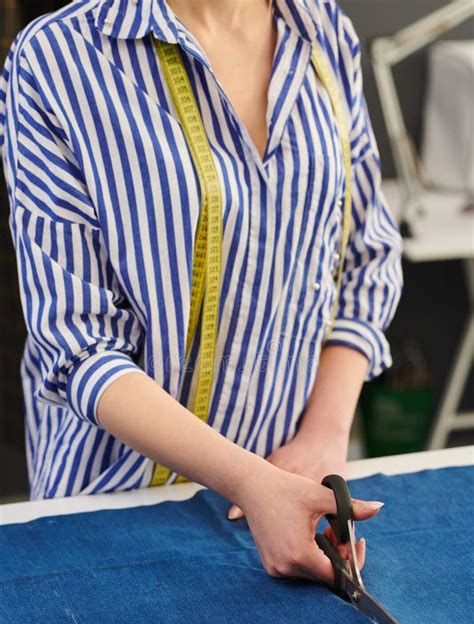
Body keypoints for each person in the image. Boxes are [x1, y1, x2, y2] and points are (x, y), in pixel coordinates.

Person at [0, 0, 402, 584]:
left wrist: (322, 439)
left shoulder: (322, 33)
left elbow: (367, 257)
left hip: (290, 491)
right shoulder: (57, 58)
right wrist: (250, 483)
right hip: (114, 513)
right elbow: (77, 343)